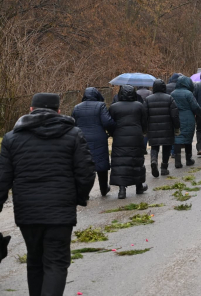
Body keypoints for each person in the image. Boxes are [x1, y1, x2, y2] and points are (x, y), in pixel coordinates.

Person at [0, 93, 95, 296]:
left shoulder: (11, 138)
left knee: (35, 260)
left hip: (27, 212)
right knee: (56, 262)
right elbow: (86, 172)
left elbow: (2, 179)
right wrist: (79, 197)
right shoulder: (73, 134)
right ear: (59, 111)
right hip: (60, 211)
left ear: (31, 110)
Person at [72, 87, 115, 196]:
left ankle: (84, 192)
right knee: (101, 164)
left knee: (83, 164)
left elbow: (72, 124)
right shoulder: (100, 106)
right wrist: (111, 133)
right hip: (98, 138)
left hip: (82, 139)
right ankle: (103, 189)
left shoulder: (77, 108)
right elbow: (107, 122)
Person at [109, 85, 149, 199]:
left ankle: (122, 190)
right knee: (136, 160)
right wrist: (143, 132)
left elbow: (110, 123)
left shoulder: (114, 107)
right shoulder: (139, 106)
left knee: (120, 162)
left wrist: (113, 133)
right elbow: (144, 121)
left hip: (120, 136)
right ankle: (139, 186)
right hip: (136, 136)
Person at [145, 79, 180, 177]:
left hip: (153, 127)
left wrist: (145, 128)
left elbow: (144, 115)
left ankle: (154, 161)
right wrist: (177, 127)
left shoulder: (148, 99)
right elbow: (175, 115)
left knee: (154, 146)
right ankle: (164, 168)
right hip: (167, 128)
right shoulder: (169, 98)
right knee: (166, 147)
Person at [171, 75, 201, 168]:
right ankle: (188, 159)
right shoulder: (188, 93)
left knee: (177, 138)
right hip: (188, 117)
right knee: (188, 138)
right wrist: (200, 114)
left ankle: (177, 161)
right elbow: (195, 106)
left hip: (176, 117)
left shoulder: (173, 93)